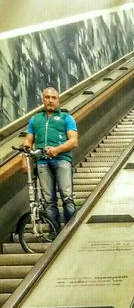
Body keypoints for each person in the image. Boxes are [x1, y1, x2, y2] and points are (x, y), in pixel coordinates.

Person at [23, 87, 78, 228]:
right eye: (47, 97)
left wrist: (57, 150)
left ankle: (71, 231)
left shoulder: (67, 118)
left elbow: (74, 141)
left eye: (53, 98)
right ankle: (55, 234)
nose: (50, 100)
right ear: (43, 99)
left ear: (58, 100)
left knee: (67, 198)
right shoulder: (35, 120)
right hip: (42, 163)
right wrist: (24, 159)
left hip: (62, 160)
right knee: (49, 201)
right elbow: (28, 142)